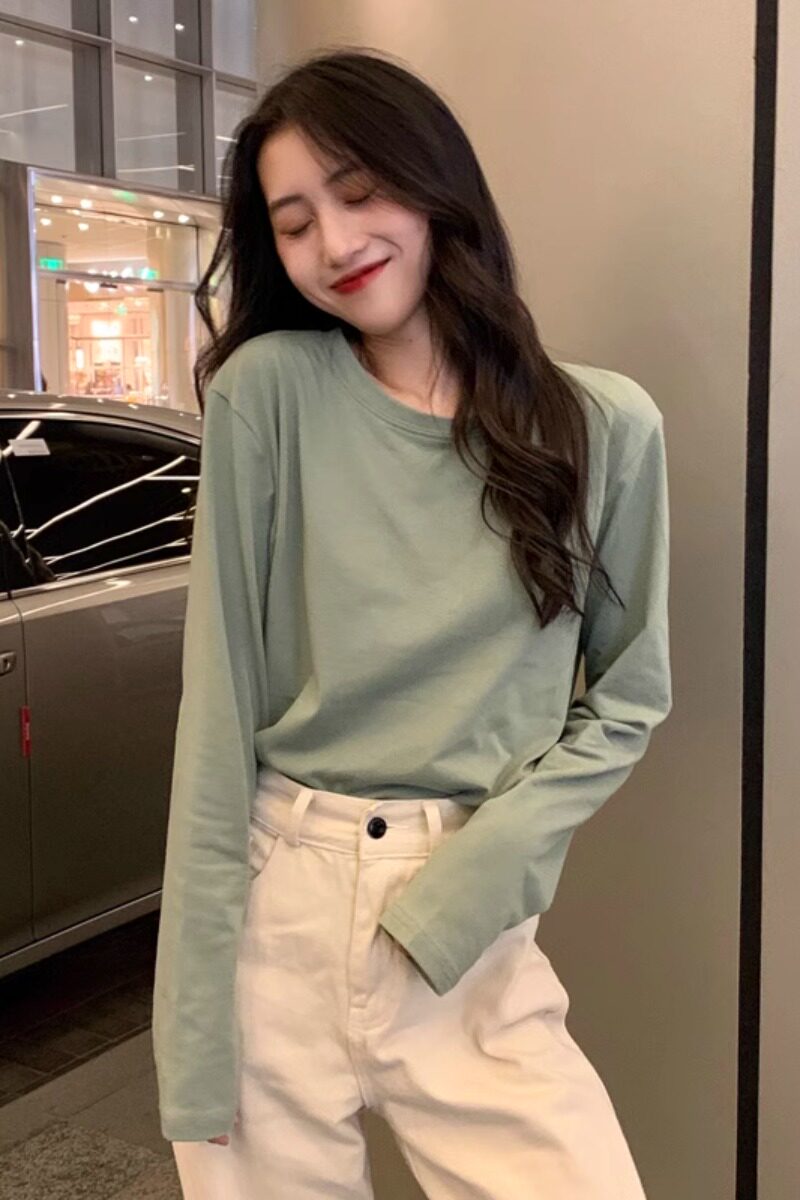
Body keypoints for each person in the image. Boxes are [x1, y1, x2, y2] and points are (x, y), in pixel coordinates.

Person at [152, 45, 672, 1199]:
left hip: (463, 918)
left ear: (434, 185)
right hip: (277, 906)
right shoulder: (267, 394)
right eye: (293, 223)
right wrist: (190, 1028)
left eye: (358, 192)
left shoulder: (602, 429)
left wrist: (478, 878)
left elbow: (628, 697)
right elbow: (217, 714)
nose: (334, 243)